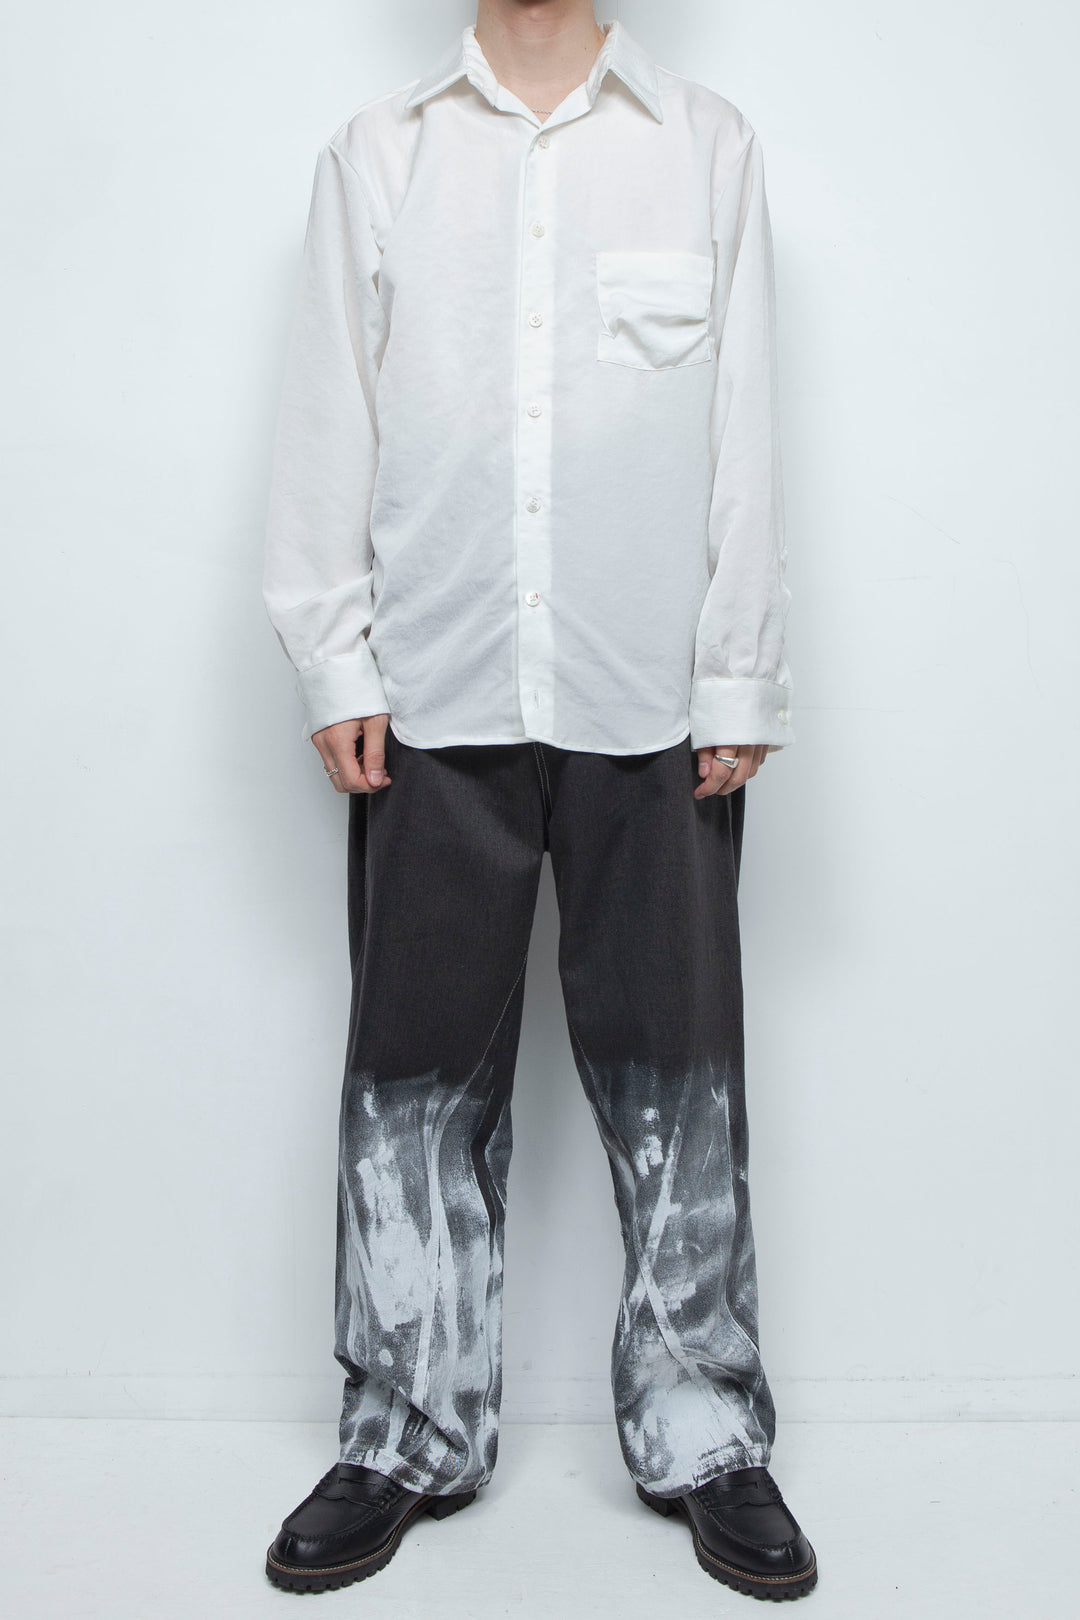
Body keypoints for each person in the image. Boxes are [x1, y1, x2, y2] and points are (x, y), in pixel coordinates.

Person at [260, 0, 816, 1601]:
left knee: (678, 1074)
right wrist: (334, 658)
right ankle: (405, 1432)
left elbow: (745, 421)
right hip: (435, 690)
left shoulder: (704, 147)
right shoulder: (380, 154)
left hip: (654, 701)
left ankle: (705, 1430)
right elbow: (330, 409)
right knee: (415, 1077)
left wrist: (739, 672)